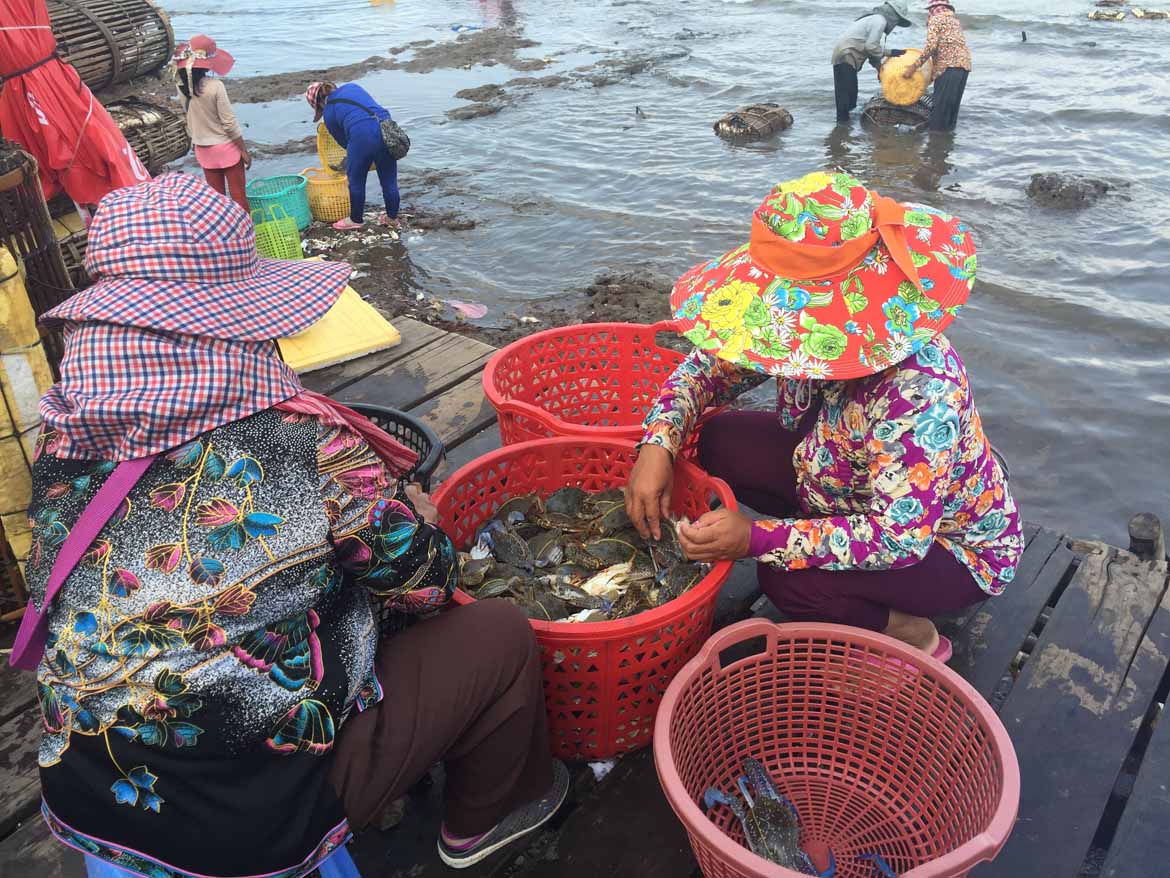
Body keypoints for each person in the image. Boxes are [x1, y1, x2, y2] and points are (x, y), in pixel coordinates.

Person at [26, 174, 567, 877]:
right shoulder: (307, 446)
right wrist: (417, 522)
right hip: (246, 818)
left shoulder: (65, 433)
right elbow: (427, 586)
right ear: (237, 318)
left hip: (89, 788)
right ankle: (484, 822)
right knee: (499, 633)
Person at [626, 171, 1022, 660]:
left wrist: (756, 537)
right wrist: (657, 444)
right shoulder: (791, 320)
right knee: (721, 438)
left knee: (788, 580)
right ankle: (821, 538)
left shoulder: (920, 393)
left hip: (943, 544)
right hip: (838, 477)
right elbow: (708, 369)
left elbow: (898, 539)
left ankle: (915, 635)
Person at [306, 80, 401, 231]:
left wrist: (360, 159)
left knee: (356, 181)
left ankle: (355, 219)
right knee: (389, 181)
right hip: (388, 129)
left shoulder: (329, 113)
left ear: (320, 104)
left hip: (361, 136)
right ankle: (392, 218)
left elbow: (345, 143)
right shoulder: (352, 86)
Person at [174, 35, 251, 211]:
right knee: (238, 196)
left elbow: (190, 117)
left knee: (218, 201)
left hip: (202, 148)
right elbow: (229, 123)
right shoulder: (215, 86)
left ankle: (224, 236)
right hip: (226, 148)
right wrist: (243, 150)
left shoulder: (181, 88)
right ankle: (248, 234)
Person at [831, 1, 913, 124]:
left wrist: (880, 69)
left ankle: (844, 126)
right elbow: (871, 47)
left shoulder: (874, 19)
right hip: (847, 55)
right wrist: (890, 52)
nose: (895, 24)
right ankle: (842, 130)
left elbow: (871, 51)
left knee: (850, 94)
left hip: (843, 55)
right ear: (892, 15)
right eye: (897, 21)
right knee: (846, 96)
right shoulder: (880, 21)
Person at [903, 0, 971, 132]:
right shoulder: (955, 21)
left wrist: (913, 67)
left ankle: (936, 144)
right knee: (951, 108)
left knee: (940, 110)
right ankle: (947, 140)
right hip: (964, 67)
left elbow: (931, 47)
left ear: (933, 9)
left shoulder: (936, 19)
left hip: (949, 67)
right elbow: (947, 47)